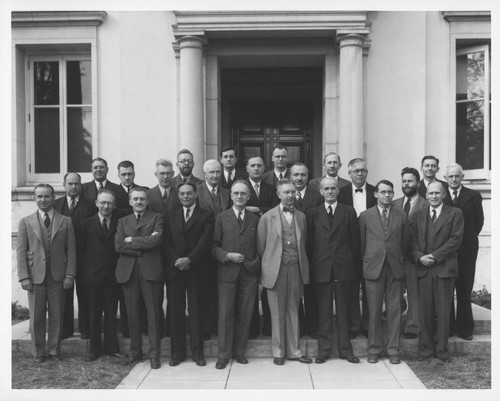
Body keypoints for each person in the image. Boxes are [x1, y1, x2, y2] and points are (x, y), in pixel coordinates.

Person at [16, 184, 76, 362]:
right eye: (39, 197)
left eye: (46, 196)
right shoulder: (25, 222)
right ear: (35, 198)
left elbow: (71, 251)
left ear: (53, 198)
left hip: (58, 276)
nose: (43, 200)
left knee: (57, 314)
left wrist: (69, 275)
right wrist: (24, 276)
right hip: (35, 276)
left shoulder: (65, 221)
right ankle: (38, 351)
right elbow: (21, 251)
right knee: (36, 316)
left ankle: (54, 350)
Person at [257, 179, 312, 366]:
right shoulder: (267, 217)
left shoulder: (302, 217)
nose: (290, 196)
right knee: (277, 312)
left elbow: (304, 244)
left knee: (293, 308)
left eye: (293, 192)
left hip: (296, 267)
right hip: (275, 269)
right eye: (286, 192)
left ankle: (294, 351)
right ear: (278, 194)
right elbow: (261, 247)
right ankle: (278, 351)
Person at [306, 177, 361, 364]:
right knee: (323, 312)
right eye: (326, 189)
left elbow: (355, 243)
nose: (330, 191)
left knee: (344, 311)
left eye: (333, 188)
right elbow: (310, 244)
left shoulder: (348, 211)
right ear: (321, 191)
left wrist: (351, 268)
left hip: (343, 268)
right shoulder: (312, 213)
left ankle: (346, 350)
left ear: (338, 191)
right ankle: (324, 349)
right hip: (321, 268)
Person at [410, 181, 464, 362]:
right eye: (430, 193)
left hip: (444, 268)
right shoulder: (418, 215)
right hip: (424, 268)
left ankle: (441, 350)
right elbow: (412, 240)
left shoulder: (455, 213)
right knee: (425, 312)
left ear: (443, 195)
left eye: (437, 193)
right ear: (426, 195)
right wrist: (419, 257)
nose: (433, 196)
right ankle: (425, 350)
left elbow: (455, 240)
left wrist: (433, 256)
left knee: (443, 312)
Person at [164, 182, 215, 367]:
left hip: (197, 269)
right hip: (175, 269)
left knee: (196, 312)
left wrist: (190, 260)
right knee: (176, 311)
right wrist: (178, 260)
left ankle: (197, 353)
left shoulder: (206, 215)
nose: (185, 196)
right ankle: (176, 354)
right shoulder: (170, 215)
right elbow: (166, 240)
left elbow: (205, 240)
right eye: (182, 194)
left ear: (195, 194)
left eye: (189, 193)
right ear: (178, 196)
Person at [212, 180, 260, 369]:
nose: (239, 196)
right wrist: (227, 256)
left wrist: (253, 264)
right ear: (230, 196)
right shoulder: (221, 218)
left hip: (248, 274)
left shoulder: (255, 219)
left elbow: (261, 246)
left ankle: (239, 351)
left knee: (245, 313)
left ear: (248, 196)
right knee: (225, 314)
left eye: (243, 194)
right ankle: (224, 354)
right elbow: (213, 246)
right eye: (236, 193)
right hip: (227, 273)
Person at [115, 187, 165, 369]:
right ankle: (135, 352)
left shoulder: (157, 218)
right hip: (128, 272)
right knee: (132, 314)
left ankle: (154, 354)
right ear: (130, 201)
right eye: (135, 199)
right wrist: (145, 242)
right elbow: (119, 245)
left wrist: (132, 240)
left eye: (142, 199)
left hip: (150, 271)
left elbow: (157, 241)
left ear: (147, 201)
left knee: (153, 314)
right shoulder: (122, 221)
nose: (138, 202)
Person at [359, 180, 407, 364]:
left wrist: (397, 259)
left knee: (394, 310)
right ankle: (374, 349)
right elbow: (361, 244)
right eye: (383, 192)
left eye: (389, 192)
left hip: (394, 268)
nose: (387, 195)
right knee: (374, 311)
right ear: (375, 194)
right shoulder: (365, 216)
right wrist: (369, 261)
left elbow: (404, 243)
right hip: (373, 269)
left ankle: (393, 350)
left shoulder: (401, 215)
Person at [78, 189, 122, 361]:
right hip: (92, 277)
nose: (105, 206)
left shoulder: (119, 222)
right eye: (102, 202)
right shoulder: (85, 224)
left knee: (111, 314)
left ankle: (111, 348)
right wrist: (82, 276)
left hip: (113, 277)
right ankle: (94, 350)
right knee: (94, 314)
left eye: (109, 203)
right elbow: (81, 251)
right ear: (96, 203)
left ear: (114, 205)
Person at [53, 172, 97, 340]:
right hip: (62, 258)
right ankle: (65, 330)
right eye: (70, 183)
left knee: (84, 294)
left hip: (84, 257)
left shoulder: (90, 206)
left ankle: (85, 329)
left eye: (76, 183)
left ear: (81, 185)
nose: (73, 187)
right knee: (64, 293)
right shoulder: (56, 205)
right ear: (64, 185)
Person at [444, 163, 484, 341]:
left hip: (467, 250)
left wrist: (466, 239)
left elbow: (479, 222)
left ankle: (465, 328)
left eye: (457, 176)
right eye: (450, 176)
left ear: (462, 176)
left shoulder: (473, 196)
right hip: (445, 250)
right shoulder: (440, 194)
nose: (454, 179)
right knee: (447, 288)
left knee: (464, 288)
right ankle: (449, 327)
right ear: (446, 178)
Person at [338, 158, 376, 339]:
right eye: (356, 171)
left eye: (363, 170)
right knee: (351, 289)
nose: (360, 174)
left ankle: (368, 325)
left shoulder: (377, 192)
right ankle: (353, 325)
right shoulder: (341, 193)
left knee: (370, 289)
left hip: (372, 248)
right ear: (349, 173)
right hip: (348, 248)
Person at [245, 156, 279, 338]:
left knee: (268, 285)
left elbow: (275, 210)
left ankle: (268, 327)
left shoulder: (271, 189)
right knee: (250, 288)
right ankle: (252, 328)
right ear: (247, 168)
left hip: (269, 240)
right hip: (247, 239)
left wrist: (256, 209)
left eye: (259, 165)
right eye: (253, 165)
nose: (256, 168)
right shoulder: (241, 187)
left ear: (264, 168)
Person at [392, 167, 428, 339]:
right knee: (395, 293)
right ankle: (394, 325)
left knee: (414, 294)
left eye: (410, 181)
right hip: (396, 257)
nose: (406, 184)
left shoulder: (426, 204)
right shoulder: (394, 203)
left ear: (418, 183)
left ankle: (412, 327)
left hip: (415, 257)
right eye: (404, 181)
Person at [197, 159, 231, 338]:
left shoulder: (227, 193)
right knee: (205, 290)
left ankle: (220, 327)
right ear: (205, 174)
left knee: (221, 291)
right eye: (211, 172)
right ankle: (205, 329)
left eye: (218, 172)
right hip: (203, 248)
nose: (215, 175)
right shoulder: (196, 192)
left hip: (223, 247)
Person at [147, 158, 181, 336]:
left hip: (175, 253)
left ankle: (173, 331)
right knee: (155, 296)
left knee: (175, 297)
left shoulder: (180, 194)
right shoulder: (148, 195)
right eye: (162, 173)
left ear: (173, 174)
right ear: (156, 174)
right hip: (154, 253)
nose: (165, 177)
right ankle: (158, 331)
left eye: (168, 173)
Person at [290, 162, 322, 338]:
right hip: (290, 251)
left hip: (311, 250)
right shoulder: (284, 194)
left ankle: (312, 327)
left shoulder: (316, 196)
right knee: (292, 292)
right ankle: (298, 327)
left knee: (310, 291)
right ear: (290, 176)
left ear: (307, 177)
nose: (299, 178)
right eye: (296, 175)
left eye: (302, 175)